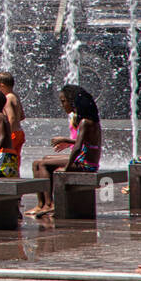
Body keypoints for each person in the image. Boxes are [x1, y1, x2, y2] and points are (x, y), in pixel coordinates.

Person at [28, 84, 102, 216]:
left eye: (63, 101)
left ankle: (49, 204)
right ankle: (41, 204)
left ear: (73, 102)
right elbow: (86, 143)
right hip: (85, 162)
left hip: (85, 165)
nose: (62, 105)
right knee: (38, 162)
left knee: (43, 164)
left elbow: (78, 148)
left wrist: (67, 168)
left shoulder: (86, 122)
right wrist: (67, 142)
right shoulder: (90, 120)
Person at [0, 71, 26, 174]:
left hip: (12, 134)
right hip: (19, 133)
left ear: (2, 86)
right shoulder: (15, 96)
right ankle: (15, 177)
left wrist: (8, 134)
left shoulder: (7, 98)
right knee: (15, 159)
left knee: (1, 156)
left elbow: (11, 118)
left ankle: (1, 178)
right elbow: (22, 116)